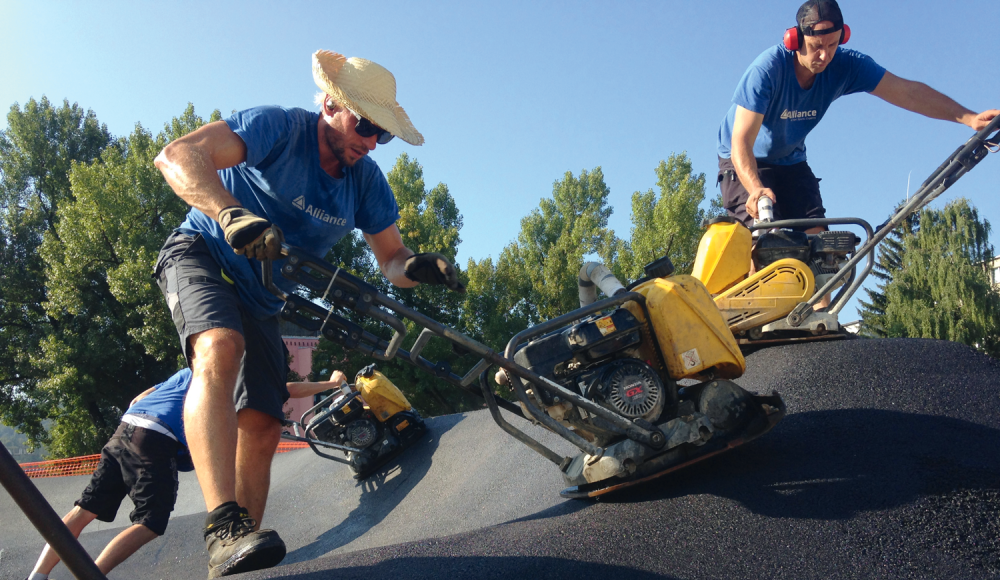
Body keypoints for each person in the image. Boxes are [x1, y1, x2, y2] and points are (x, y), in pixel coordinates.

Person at [151, 50, 463, 578]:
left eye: (381, 135)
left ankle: (235, 552)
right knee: (219, 346)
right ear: (329, 105)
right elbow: (176, 156)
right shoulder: (276, 127)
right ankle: (222, 522)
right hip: (202, 253)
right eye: (365, 125)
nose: (369, 141)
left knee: (265, 421)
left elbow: (392, 260)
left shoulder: (364, 181)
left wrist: (422, 267)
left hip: (264, 296)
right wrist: (229, 213)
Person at [25, 369, 349, 580]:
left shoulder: (191, 370)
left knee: (85, 509)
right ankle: (90, 575)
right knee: (150, 521)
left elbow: (140, 396)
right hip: (156, 436)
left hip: (126, 427)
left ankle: (38, 576)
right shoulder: (229, 374)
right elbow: (284, 387)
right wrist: (332, 384)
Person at [717, 0, 998, 230]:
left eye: (832, 45)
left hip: (791, 162)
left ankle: (820, 301)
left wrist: (969, 117)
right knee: (765, 240)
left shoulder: (847, 66)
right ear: (795, 40)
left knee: (820, 249)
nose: (825, 56)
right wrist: (755, 188)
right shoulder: (768, 70)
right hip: (745, 159)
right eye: (817, 47)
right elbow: (740, 141)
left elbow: (907, 92)